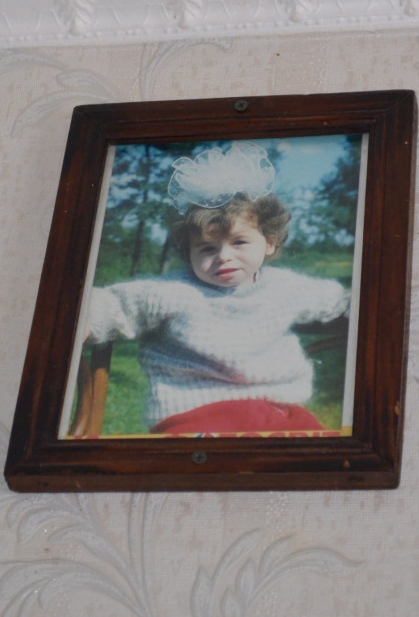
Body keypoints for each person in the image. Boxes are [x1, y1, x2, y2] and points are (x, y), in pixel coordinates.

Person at [86, 142, 350, 435]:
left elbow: (338, 301)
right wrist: (85, 320)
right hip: (194, 415)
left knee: (325, 449)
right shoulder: (171, 292)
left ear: (269, 242)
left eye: (239, 242)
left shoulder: (286, 287)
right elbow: (113, 305)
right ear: (188, 252)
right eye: (207, 248)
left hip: (277, 411)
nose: (224, 256)